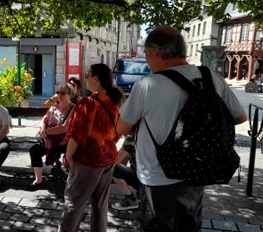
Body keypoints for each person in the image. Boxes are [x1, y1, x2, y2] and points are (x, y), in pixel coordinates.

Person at [117, 26, 247, 232]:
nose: (147, 60)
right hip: (197, 171)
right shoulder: (211, 77)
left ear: (156, 53)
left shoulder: (147, 84)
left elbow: (122, 128)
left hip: (157, 176)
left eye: (147, 54)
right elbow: (240, 117)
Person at [59, 63, 124, 232]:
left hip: (87, 162)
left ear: (96, 78)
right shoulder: (115, 100)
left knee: (73, 204)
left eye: (87, 75)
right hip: (108, 159)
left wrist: (68, 156)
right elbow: (119, 131)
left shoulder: (87, 103)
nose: (85, 78)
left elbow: (76, 135)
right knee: (100, 205)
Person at [29, 83, 75, 189]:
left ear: (70, 95)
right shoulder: (53, 107)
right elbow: (43, 121)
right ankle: (38, 180)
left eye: (63, 93)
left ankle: (72, 183)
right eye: (58, 92)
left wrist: (47, 133)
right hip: (50, 140)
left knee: (73, 154)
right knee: (34, 150)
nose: (59, 95)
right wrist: (45, 137)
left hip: (67, 142)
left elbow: (65, 127)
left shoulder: (74, 109)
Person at [111, 135, 139, 211]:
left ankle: (131, 200)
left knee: (111, 167)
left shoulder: (132, 137)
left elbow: (116, 160)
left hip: (145, 182)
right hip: (157, 182)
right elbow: (122, 161)